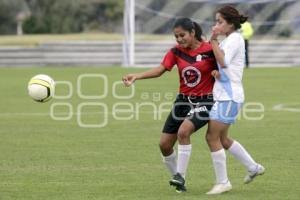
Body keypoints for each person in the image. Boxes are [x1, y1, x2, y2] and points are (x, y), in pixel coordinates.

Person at [122, 18, 216, 193]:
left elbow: (226, 68)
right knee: (164, 145)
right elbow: (160, 70)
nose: (179, 39)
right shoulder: (176, 52)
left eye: (182, 35)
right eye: (176, 36)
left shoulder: (210, 50)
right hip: (182, 101)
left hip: (205, 100)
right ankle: (179, 180)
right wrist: (137, 76)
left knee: (183, 132)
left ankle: (180, 175)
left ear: (193, 33)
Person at [205, 5, 265, 195]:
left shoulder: (234, 39)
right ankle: (254, 167)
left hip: (228, 97)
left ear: (230, 24)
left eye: (220, 22)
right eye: (216, 21)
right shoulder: (230, 40)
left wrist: (213, 39)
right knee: (222, 139)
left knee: (211, 137)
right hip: (228, 95)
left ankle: (223, 182)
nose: (216, 25)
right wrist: (218, 74)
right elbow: (225, 67)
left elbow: (223, 61)